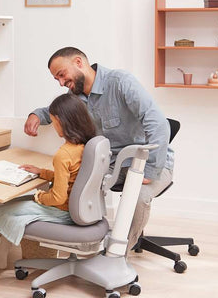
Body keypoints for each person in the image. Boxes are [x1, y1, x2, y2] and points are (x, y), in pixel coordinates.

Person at [24, 46, 173, 251]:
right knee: (78, 185)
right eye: (56, 79)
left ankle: (119, 254)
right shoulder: (76, 97)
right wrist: (35, 115)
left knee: (138, 195)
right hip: (113, 165)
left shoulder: (120, 82)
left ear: (78, 62)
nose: (61, 83)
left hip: (150, 163)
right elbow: (56, 109)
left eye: (62, 75)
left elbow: (158, 124)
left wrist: (150, 169)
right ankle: (84, 246)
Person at [0, 93, 97, 289]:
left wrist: (38, 196)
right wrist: (42, 172)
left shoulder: (64, 154)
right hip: (76, 209)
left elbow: (57, 196)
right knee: (6, 206)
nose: (53, 127)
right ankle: (0, 259)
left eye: (53, 122)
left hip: (61, 211)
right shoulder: (84, 145)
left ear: (63, 122)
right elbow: (73, 178)